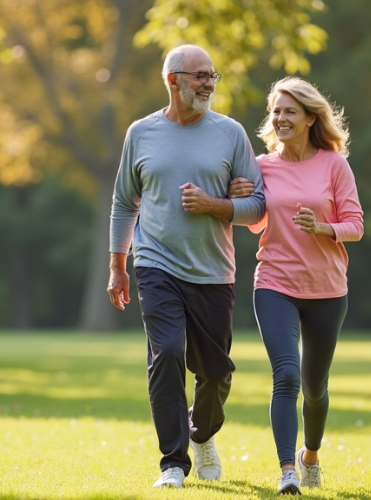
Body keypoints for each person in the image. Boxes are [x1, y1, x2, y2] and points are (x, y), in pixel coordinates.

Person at [106, 44, 266, 489]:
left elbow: (257, 207)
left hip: (214, 271)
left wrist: (217, 204)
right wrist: (119, 266)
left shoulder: (230, 133)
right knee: (167, 355)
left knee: (215, 373)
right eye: (199, 75)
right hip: (155, 265)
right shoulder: (141, 132)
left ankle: (202, 432)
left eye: (212, 75)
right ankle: (172, 463)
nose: (209, 83)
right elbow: (124, 202)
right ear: (173, 79)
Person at [229, 76, 364, 495]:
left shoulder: (334, 165)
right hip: (275, 283)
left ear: (309, 117)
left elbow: (356, 226)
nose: (280, 118)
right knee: (285, 375)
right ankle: (288, 470)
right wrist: (239, 193)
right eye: (276, 111)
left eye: (289, 111)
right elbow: (253, 218)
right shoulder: (262, 164)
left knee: (314, 388)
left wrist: (322, 227)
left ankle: (310, 456)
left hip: (327, 290)